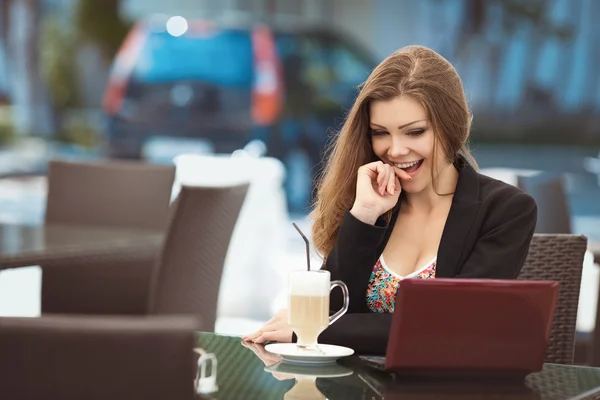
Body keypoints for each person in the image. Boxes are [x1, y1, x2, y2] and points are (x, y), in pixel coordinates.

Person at [242, 45, 537, 354]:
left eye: (414, 132)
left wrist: (315, 330)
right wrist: (365, 214)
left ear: (452, 126)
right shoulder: (375, 201)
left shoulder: (506, 210)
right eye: (380, 133)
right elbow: (331, 305)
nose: (395, 150)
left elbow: (453, 326)